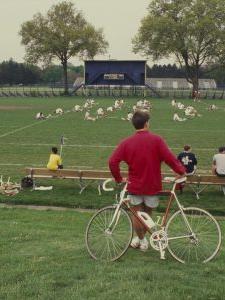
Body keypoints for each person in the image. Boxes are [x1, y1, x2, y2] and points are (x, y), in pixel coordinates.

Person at [108, 111, 185, 252]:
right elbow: (170, 159)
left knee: (137, 214)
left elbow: (112, 162)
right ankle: (142, 239)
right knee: (147, 214)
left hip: (135, 185)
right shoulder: (157, 140)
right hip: (152, 185)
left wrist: (118, 178)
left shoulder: (126, 142)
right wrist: (181, 171)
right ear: (147, 123)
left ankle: (141, 239)